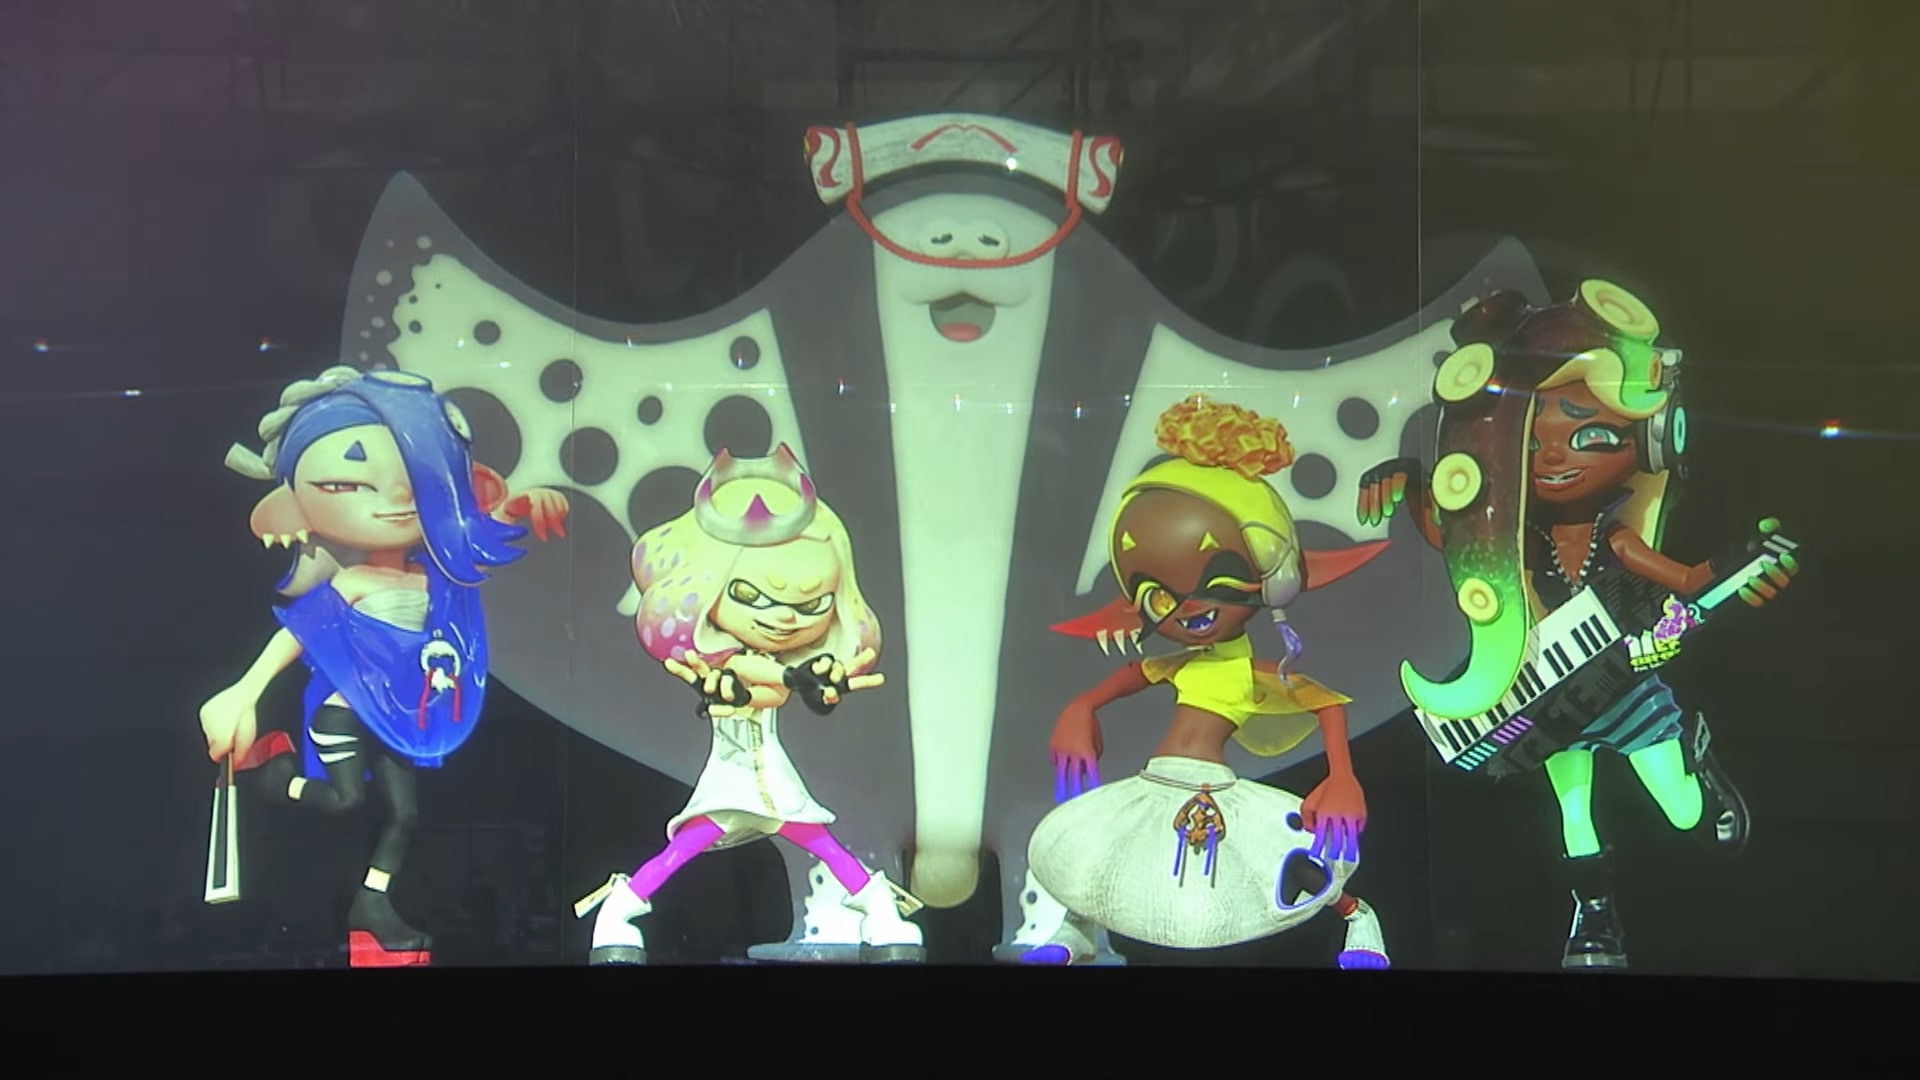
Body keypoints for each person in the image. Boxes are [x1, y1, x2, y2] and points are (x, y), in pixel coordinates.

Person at [1358, 280, 1796, 968]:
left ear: (1649, 440)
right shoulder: (1520, 542)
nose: (1555, 457)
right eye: (1530, 444)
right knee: (1573, 810)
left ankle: (1697, 757)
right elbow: (1449, 536)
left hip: (1627, 688)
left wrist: (1745, 564)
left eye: (1587, 436)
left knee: (1685, 813)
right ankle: (1592, 914)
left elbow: (1688, 581)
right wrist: (1414, 482)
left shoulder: (1613, 537)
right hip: (1554, 693)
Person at [198, 365, 568, 966]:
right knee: (345, 800)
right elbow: (299, 632)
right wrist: (244, 691)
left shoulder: (433, 578)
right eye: (356, 482)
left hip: (401, 715)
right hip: (347, 710)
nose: (397, 500)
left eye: (414, 481)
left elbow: (474, 550)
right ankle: (278, 778)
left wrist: (516, 508)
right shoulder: (351, 583)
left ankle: (372, 905)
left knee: (406, 813)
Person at [1031, 395, 1391, 967]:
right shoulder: (1185, 661)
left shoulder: (1249, 670)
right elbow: (1133, 673)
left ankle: (1359, 918)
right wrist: (1081, 707)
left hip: (1217, 788)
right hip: (1157, 780)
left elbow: (1327, 703)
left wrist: (1342, 776)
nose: (1182, 608)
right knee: (1104, 854)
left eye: (1215, 580)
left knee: (1293, 859)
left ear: (1273, 575)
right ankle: (1078, 929)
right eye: (1154, 594)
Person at [575, 444, 924, 964]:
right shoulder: (726, 662)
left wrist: (822, 683)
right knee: (693, 846)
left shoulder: (769, 664)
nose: (783, 618)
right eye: (753, 596)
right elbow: (760, 679)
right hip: (734, 773)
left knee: (814, 839)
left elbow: (779, 690)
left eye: (811, 604)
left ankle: (880, 910)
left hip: (768, 774)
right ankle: (618, 910)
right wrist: (793, 677)